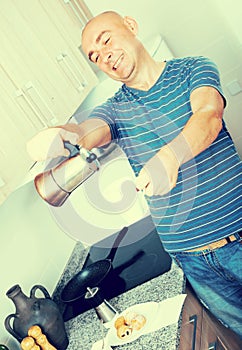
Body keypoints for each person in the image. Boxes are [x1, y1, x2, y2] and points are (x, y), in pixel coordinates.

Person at [27, 11, 242, 337]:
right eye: (95, 56)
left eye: (106, 40)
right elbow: (88, 131)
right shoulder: (113, 110)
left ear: (130, 26)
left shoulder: (192, 69)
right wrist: (63, 136)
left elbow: (209, 116)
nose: (104, 56)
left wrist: (170, 157)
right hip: (191, 261)